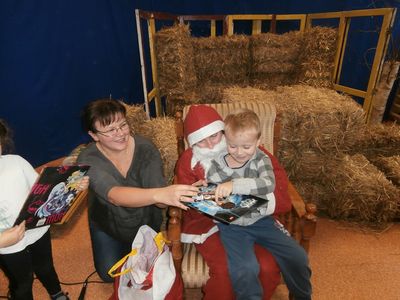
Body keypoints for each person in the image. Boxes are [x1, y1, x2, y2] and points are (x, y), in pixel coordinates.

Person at [175, 104, 294, 300]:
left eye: (214, 136)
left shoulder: (251, 150)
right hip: (210, 225)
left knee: (267, 266)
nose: (211, 145)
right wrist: (194, 195)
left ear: (223, 131)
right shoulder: (188, 161)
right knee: (226, 269)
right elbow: (185, 205)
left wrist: (252, 201)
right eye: (202, 141)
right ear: (193, 142)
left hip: (255, 220)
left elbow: (279, 187)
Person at [77, 99, 199, 287]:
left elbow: (160, 203)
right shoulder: (87, 158)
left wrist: (180, 191)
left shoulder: (145, 148)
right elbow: (114, 196)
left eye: (123, 125)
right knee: (109, 273)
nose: (120, 134)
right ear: (94, 135)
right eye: (110, 130)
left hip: (144, 221)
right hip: (107, 223)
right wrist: (160, 194)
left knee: (145, 270)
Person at [207, 108, 312, 300]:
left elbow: (268, 184)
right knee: (245, 268)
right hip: (233, 227)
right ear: (225, 140)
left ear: (258, 142)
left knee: (298, 257)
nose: (239, 152)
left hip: (263, 222)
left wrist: (234, 185)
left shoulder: (261, 159)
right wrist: (215, 191)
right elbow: (215, 196)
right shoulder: (217, 164)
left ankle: (302, 296)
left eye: (246, 147)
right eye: (232, 146)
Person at [0, 118, 87, 300]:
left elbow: (42, 191)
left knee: (45, 266)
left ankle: (56, 293)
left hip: (37, 228)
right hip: (7, 244)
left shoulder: (15, 162)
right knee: (23, 282)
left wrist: (71, 186)